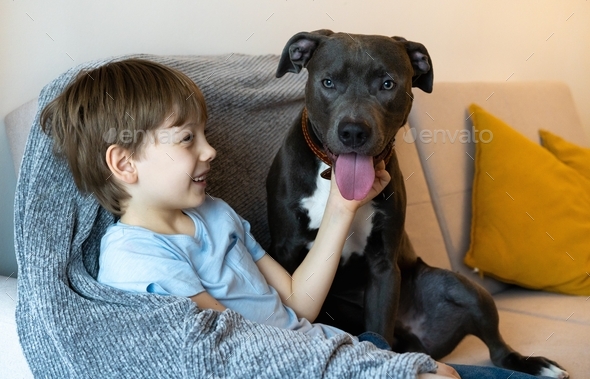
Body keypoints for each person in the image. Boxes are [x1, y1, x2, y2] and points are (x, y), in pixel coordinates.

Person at [40, 59, 550, 379]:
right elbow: (232, 353)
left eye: (205, 133)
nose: (212, 151)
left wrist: (343, 209)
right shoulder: (137, 256)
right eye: (187, 139)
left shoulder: (217, 215)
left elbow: (300, 306)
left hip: (341, 349)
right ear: (123, 163)